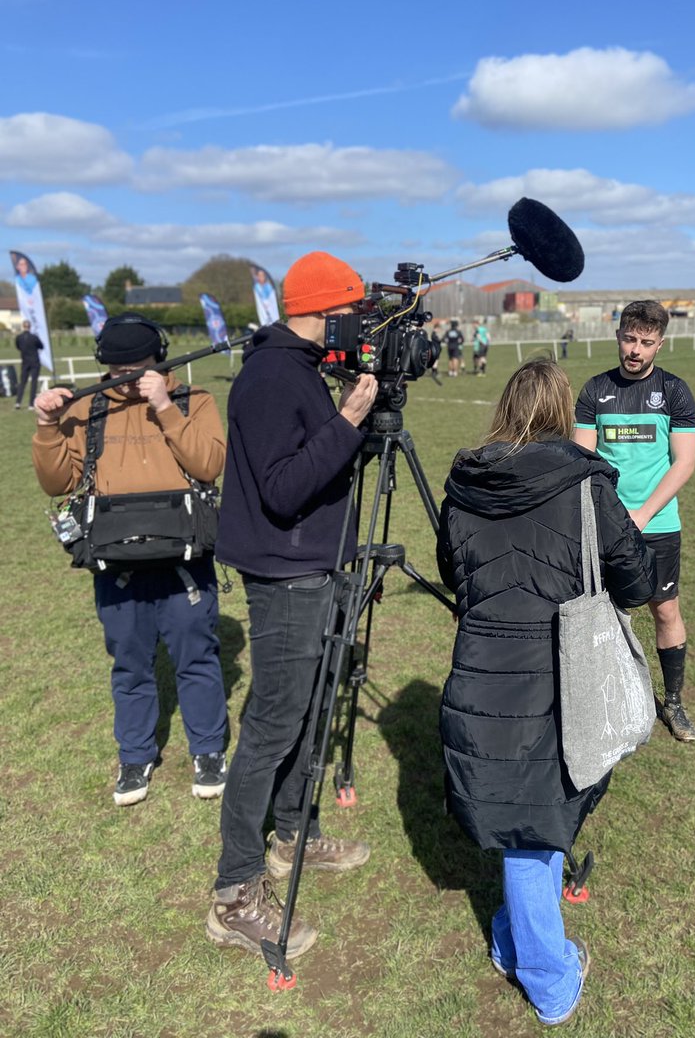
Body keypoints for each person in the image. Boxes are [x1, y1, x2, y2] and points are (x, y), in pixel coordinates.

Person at [437, 357, 656, 1027]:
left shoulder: (463, 485)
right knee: (533, 826)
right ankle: (549, 978)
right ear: (564, 411)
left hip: (481, 668)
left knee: (521, 810)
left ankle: (514, 933)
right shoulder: (586, 486)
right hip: (552, 679)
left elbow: (455, 571)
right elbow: (636, 580)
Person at [207, 250, 378, 961]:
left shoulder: (301, 368)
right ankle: (234, 893)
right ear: (326, 310)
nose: (361, 325)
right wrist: (349, 418)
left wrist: (356, 419)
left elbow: (324, 465)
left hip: (314, 563)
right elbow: (283, 488)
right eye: (354, 311)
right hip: (286, 577)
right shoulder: (274, 375)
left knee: (308, 710)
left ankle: (292, 834)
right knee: (275, 724)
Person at [31, 313, 229, 806]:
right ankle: (135, 754)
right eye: (118, 370)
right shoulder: (84, 407)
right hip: (116, 564)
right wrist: (47, 426)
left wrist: (163, 405)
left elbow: (209, 464)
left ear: (160, 359)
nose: (127, 380)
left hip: (184, 556)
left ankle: (208, 749)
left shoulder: (194, 399)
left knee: (197, 656)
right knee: (130, 664)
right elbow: (58, 483)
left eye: (138, 368)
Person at [573, 299, 695, 741]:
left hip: (658, 524)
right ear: (618, 336)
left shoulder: (675, 392)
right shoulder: (594, 390)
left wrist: (643, 513)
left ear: (660, 345)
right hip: (605, 526)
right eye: (630, 339)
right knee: (601, 614)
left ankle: (674, 704)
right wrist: (610, 514)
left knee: (665, 610)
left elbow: (683, 463)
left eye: (646, 343)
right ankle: (602, 703)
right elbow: (584, 459)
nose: (636, 350)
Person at [15, 320, 43, 409]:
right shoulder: (34, 337)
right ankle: (31, 404)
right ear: (30, 327)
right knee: (34, 382)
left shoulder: (19, 337)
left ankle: (18, 402)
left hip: (25, 362)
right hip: (34, 361)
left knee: (22, 382)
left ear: (23, 326)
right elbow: (41, 346)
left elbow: (18, 347)